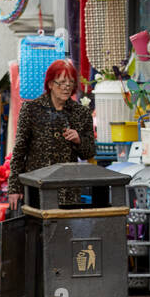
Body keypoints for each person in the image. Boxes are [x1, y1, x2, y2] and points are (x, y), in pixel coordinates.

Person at [7, 59, 96, 209]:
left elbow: (89, 153)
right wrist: (14, 188)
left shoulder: (81, 113)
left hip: (68, 190)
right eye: (61, 83)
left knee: (65, 229)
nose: (66, 87)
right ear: (50, 84)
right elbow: (19, 151)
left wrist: (79, 140)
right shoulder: (31, 109)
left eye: (70, 83)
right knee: (37, 229)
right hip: (37, 186)